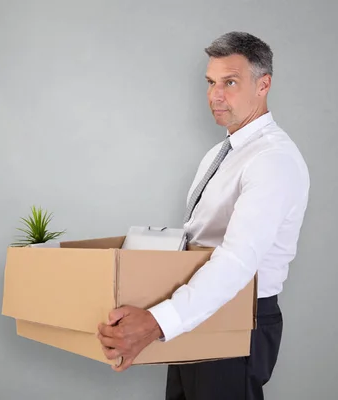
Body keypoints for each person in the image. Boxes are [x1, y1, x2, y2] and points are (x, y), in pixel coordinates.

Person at [97, 31, 310, 399]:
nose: (216, 95)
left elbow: (237, 261)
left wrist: (156, 321)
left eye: (230, 82)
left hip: (238, 316)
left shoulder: (272, 160)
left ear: (264, 85)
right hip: (198, 309)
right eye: (210, 82)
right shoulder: (219, 154)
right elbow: (199, 240)